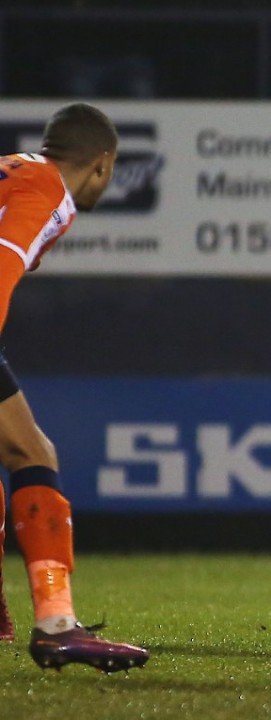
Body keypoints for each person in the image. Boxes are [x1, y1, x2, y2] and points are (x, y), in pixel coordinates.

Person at [0, 103, 150, 671]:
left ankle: (52, 623)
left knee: (26, 451)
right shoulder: (47, 192)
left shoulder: (16, 168)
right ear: (103, 164)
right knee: (31, 454)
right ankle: (56, 626)